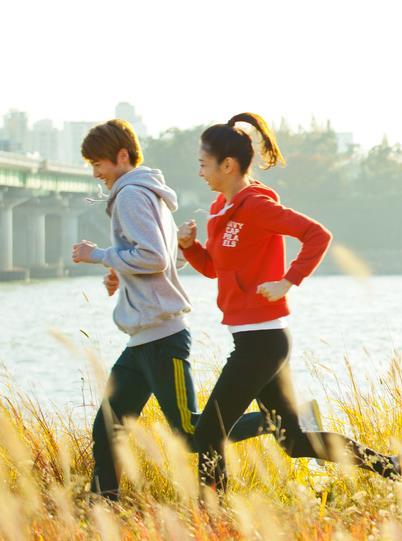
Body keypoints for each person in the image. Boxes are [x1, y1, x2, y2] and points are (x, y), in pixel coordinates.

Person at [178, 112, 402, 496]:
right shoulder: (218, 212)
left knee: (208, 431)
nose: (200, 172)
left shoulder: (256, 207)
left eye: (203, 164)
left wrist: (288, 281)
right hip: (250, 340)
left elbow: (316, 235)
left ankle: (213, 522)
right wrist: (189, 247)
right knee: (292, 442)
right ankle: (398, 468)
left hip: (263, 342)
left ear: (227, 165)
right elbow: (213, 268)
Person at [71, 119, 265, 499]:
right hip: (142, 339)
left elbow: (154, 257)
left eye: (99, 163)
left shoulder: (130, 195)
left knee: (192, 432)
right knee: (107, 428)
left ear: (122, 156)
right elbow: (165, 257)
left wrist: (98, 255)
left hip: (162, 338)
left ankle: (279, 421)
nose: (96, 172)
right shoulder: (145, 192)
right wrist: (120, 274)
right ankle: (102, 509)